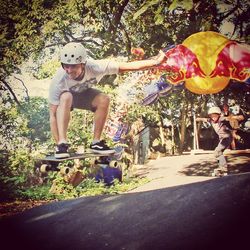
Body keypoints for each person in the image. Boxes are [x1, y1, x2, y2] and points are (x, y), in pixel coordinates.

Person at [49, 42, 166, 158]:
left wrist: (155, 63)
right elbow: (53, 115)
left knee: (104, 99)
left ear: (83, 64)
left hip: (81, 96)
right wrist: (58, 143)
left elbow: (127, 67)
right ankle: (62, 143)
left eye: (73, 66)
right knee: (66, 96)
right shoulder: (59, 80)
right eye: (66, 66)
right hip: (64, 102)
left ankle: (96, 143)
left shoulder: (95, 67)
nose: (69, 70)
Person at [196, 106, 244, 172]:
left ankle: (223, 167)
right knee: (217, 153)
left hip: (227, 138)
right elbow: (205, 119)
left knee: (217, 151)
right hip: (222, 139)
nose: (214, 118)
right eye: (212, 116)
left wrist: (238, 117)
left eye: (215, 116)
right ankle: (222, 166)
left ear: (218, 115)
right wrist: (198, 119)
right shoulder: (211, 120)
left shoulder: (221, 119)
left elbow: (229, 118)